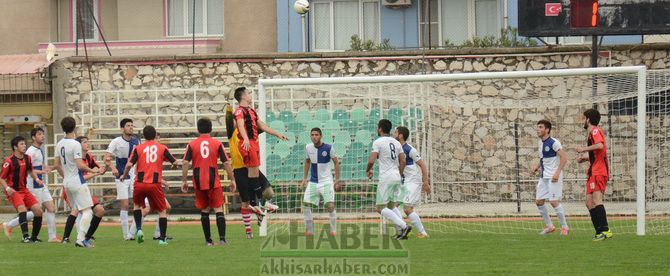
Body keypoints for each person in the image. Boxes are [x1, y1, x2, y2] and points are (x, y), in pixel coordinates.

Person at [181, 118, 236, 246]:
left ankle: (208, 241)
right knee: (218, 209)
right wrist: (232, 179)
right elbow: (226, 162)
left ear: (198, 129)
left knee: (204, 210)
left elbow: (184, 162)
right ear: (211, 129)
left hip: (199, 180)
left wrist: (184, 180)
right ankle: (222, 239)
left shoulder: (192, 144)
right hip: (213, 181)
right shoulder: (217, 144)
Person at [120, 126, 178, 245]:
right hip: (154, 184)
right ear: (155, 134)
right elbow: (175, 162)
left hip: (140, 183)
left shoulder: (139, 148)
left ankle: (139, 230)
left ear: (144, 136)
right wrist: (174, 166)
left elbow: (129, 165)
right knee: (162, 210)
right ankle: (162, 239)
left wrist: (124, 176)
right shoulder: (162, 148)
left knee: (137, 206)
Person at [54, 117, 100, 247]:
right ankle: (80, 240)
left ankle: (68, 237)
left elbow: (56, 165)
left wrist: (65, 176)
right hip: (77, 181)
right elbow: (80, 165)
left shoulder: (59, 144)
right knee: (88, 211)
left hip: (67, 182)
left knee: (76, 210)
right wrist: (92, 171)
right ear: (74, 127)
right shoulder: (75, 144)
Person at [366, 119, 411, 240]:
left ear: (380, 129)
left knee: (380, 208)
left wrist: (368, 170)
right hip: (396, 176)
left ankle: (404, 226)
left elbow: (371, 160)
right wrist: (399, 174)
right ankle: (401, 231)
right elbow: (403, 160)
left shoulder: (378, 142)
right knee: (391, 206)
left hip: (386, 178)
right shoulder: (396, 143)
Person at [61, 136, 106, 244]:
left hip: (81, 187)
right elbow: (82, 176)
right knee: (77, 210)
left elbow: (99, 170)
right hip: (74, 187)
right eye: (85, 142)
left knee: (99, 210)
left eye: (87, 141)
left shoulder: (89, 157)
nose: (87, 144)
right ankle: (68, 238)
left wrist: (108, 165)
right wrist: (94, 173)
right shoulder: (76, 160)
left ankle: (86, 237)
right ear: (78, 145)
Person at [576, 109, 612, 241]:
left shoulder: (595, 131)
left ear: (589, 119)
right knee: (589, 202)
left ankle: (605, 230)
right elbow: (598, 153)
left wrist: (583, 149)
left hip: (599, 171)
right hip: (593, 170)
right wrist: (586, 158)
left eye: (584, 118)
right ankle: (599, 231)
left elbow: (600, 145)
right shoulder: (591, 133)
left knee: (597, 200)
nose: (583, 120)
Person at [1, 136, 44, 243]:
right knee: (22, 210)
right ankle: (25, 237)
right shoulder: (9, 161)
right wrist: (7, 188)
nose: (24, 146)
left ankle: (34, 237)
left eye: (25, 144)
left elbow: (30, 170)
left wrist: (37, 179)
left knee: (38, 211)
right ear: (15, 147)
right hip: (14, 191)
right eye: (21, 144)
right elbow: (1, 178)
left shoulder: (27, 158)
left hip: (24, 190)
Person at [104, 118, 140, 240]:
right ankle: (126, 235)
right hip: (121, 177)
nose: (130, 127)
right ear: (122, 128)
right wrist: (113, 168)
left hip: (134, 176)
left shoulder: (136, 141)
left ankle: (132, 232)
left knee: (138, 204)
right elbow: (106, 158)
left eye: (132, 125)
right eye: (128, 125)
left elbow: (139, 158)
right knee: (124, 205)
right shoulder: (116, 141)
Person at [300, 128, 341, 236]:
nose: (314, 137)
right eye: (312, 135)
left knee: (330, 206)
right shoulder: (308, 147)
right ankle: (310, 230)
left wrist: (337, 180)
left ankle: (333, 230)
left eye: (316, 135)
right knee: (305, 205)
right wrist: (304, 178)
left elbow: (336, 162)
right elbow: (307, 161)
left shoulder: (328, 148)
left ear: (321, 136)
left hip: (326, 182)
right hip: (313, 182)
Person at [531, 120, 569, 236]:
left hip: (553, 176)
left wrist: (557, 173)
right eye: (537, 127)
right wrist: (537, 167)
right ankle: (549, 226)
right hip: (544, 177)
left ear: (547, 130)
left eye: (540, 127)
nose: (538, 129)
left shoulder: (554, 142)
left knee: (553, 201)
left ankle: (564, 227)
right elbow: (542, 158)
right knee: (539, 202)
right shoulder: (540, 142)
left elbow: (564, 157)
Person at [394, 126, 431, 238]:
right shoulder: (396, 149)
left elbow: (422, 165)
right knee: (393, 205)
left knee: (407, 209)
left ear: (400, 135)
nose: (393, 134)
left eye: (395, 132)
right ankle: (403, 230)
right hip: (405, 182)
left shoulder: (409, 149)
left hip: (413, 182)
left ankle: (423, 233)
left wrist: (425, 182)